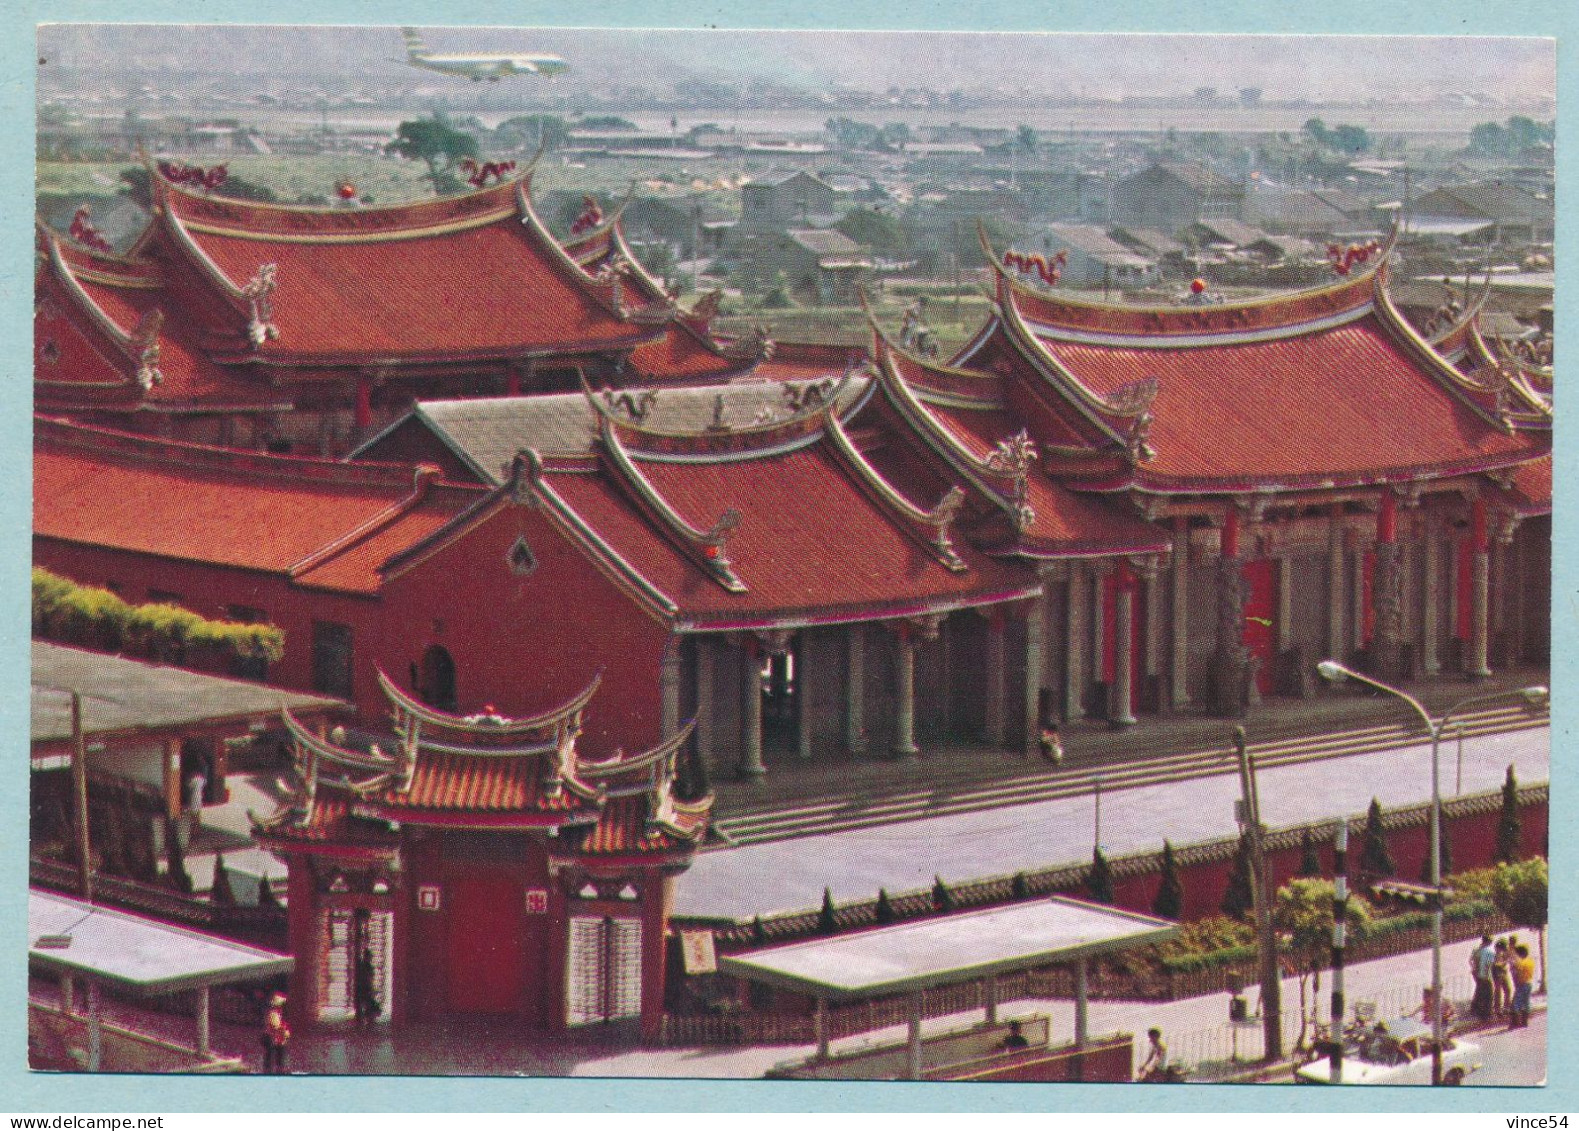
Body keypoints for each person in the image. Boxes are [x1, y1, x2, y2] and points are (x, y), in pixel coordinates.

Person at [261, 993, 290, 1074]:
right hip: (272, 1037)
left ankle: (276, 1069)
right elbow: (275, 1026)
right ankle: (270, 1070)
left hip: (277, 1037)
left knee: (277, 1054)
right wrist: (284, 1031)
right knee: (271, 1055)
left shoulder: (277, 1013)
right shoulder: (273, 1013)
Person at [1470, 934, 1496, 1020]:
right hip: (1486, 975)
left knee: (1479, 991)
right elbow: (1489, 965)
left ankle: (1475, 1009)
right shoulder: (1490, 952)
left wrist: (1474, 969)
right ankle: (1487, 1013)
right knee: (1489, 994)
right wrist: (1487, 975)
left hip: (1477, 974)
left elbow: (1471, 960)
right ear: (1489, 941)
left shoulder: (1477, 949)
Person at [1510, 943, 1535, 1029]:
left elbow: (1517, 974)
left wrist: (1513, 969)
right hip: (1529, 983)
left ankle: (1515, 1022)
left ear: (1520, 954)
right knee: (1526, 1001)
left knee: (1515, 1003)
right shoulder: (1530, 961)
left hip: (1521, 984)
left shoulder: (1520, 963)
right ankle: (1525, 1021)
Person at [354, 947, 380, 1028]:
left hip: (361, 987)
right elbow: (369, 979)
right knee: (368, 1003)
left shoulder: (361, 966)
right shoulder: (368, 967)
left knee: (363, 1004)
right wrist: (372, 988)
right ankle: (368, 1021)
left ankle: (362, 1021)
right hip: (365, 988)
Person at [1491, 938, 1513, 1018]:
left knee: (1508, 989)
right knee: (1498, 991)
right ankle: (1498, 1009)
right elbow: (1497, 964)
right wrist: (1506, 962)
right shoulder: (1496, 955)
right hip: (1498, 974)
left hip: (1503, 973)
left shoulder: (1503, 953)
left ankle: (1506, 1007)